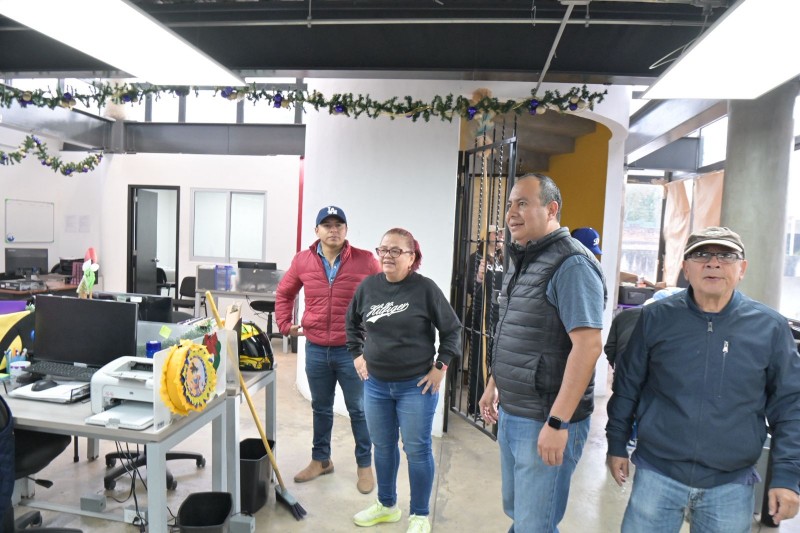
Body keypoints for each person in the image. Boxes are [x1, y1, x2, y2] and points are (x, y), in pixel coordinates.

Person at [606, 226, 800, 532]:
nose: (713, 263)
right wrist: (616, 443)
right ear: (686, 268)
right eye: (701, 255)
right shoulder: (656, 318)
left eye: (726, 256)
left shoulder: (770, 328)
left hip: (730, 484)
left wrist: (787, 476)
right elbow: (627, 386)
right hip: (658, 474)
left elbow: (790, 407)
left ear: (742, 268)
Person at [478, 173, 607, 533]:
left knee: (535, 522)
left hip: (544, 418)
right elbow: (516, 332)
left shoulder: (572, 264)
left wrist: (558, 422)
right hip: (515, 411)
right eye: (509, 204)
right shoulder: (524, 258)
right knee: (520, 512)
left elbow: (588, 346)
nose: (511, 213)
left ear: (551, 210)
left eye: (523, 203)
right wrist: (494, 383)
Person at [346, 228, 461, 533]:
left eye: (396, 251)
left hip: (416, 386)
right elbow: (351, 323)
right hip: (376, 385)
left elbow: (452, 330)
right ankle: (387, 506)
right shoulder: (368, 287)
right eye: (383, 249)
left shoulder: (425, 290)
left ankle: (420, 515)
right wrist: (356, 354)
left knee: (417, 450)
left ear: (412, 257)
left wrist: (441, 366)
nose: (387, 256)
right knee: (383, 447)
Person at [275, 205, 381, 494]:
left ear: (346, 230)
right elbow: (285, 292)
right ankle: (321, 460)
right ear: (317, 230)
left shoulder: (365, 261)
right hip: (316, 349)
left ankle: (364, 465)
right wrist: (284, 324)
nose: (333, 230)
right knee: (321, 408)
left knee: (359, 410)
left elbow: (386, 293)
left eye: (338, 225)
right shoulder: (303, 260)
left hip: (353, 352)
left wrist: (377, 332)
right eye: (327, 225)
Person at [465, 224, 504, 415]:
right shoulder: (477, 258)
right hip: (480, 315)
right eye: (496, 232)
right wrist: (479, 278)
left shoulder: (504, 259)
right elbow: (469, 287)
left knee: (497, 361)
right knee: (478, 361)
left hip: (499, 316)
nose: (500, 235)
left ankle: (495, 404)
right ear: (486, 236)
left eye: (502, 233)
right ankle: (476, 406)